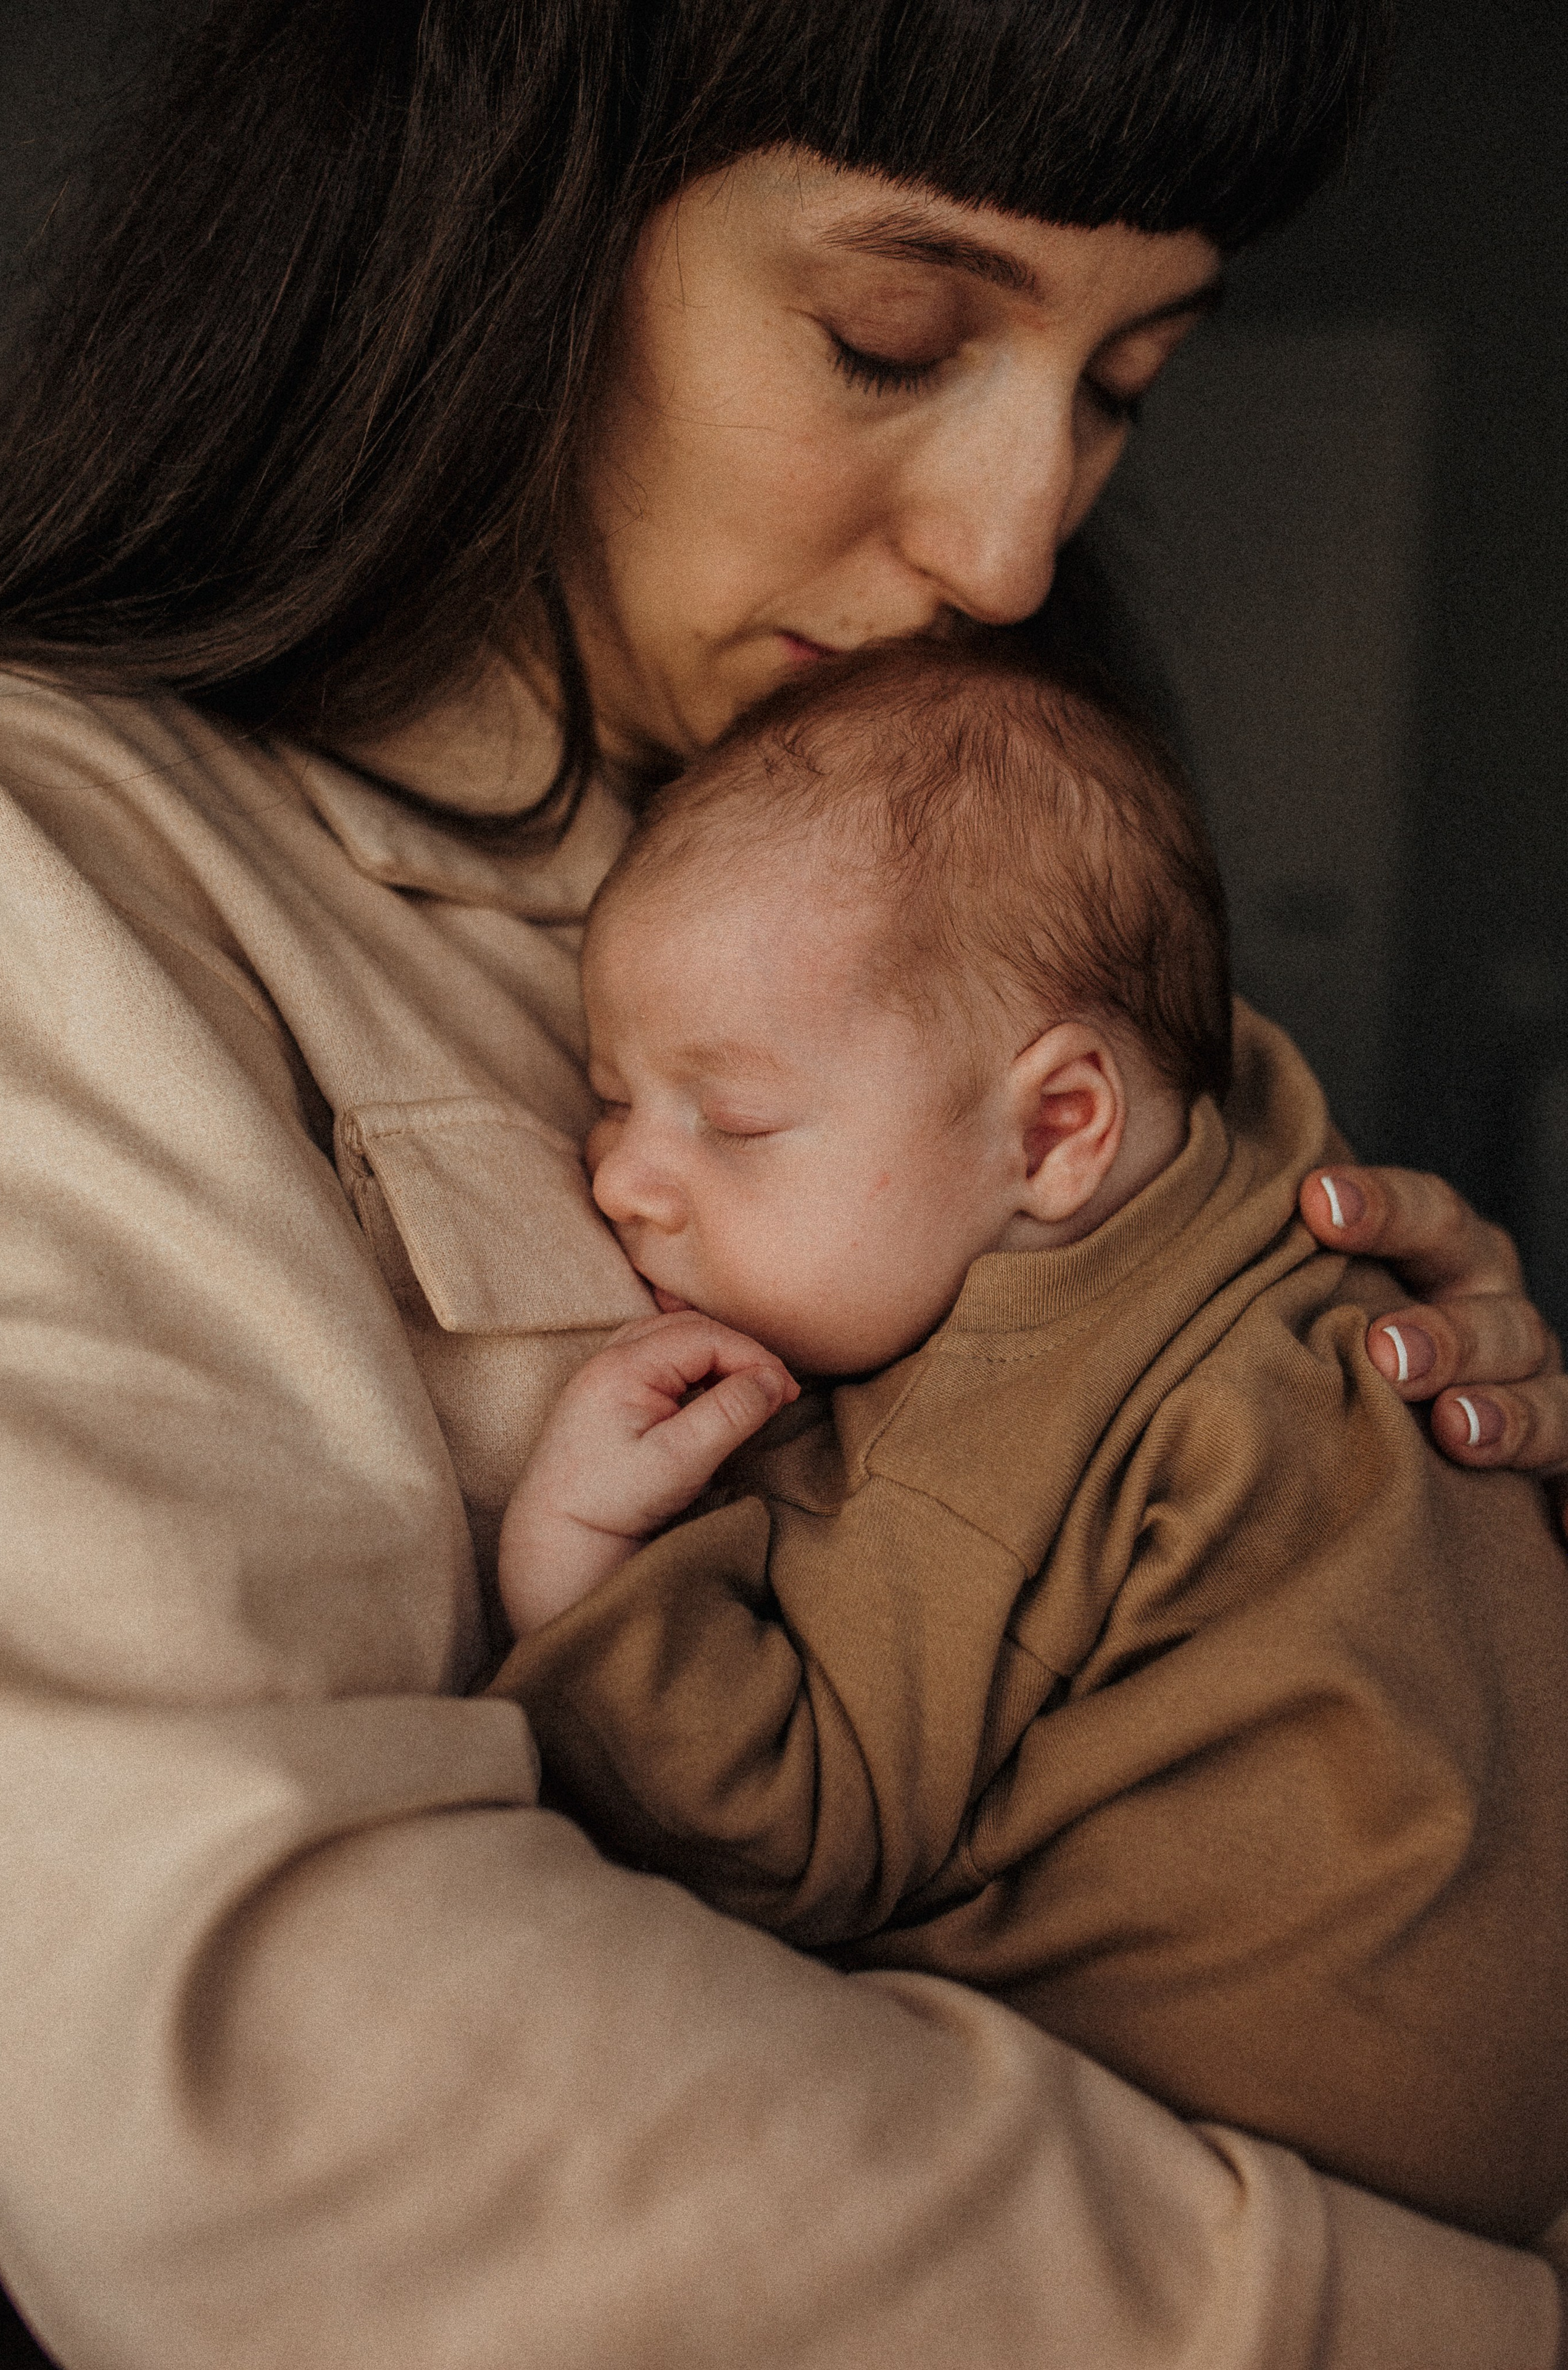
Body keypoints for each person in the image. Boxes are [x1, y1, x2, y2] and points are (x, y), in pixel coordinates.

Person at [0, 2, 1564, 2364]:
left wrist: (1414, 1471)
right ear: (494, 220)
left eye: (1125, 382)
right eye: (889, 336)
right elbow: (236, 2064)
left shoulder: (997, 871)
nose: (1020, 542)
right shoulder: (70, 870)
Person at [496, 640, 1568, 2245]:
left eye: (729, 1117)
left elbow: (800, 1816)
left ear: (1060, 1127)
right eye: (608, 1096)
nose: (625, 1180)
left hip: (1269, 2138)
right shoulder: (1269, 1186)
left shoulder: (1001, 1407)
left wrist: (583, 1581)